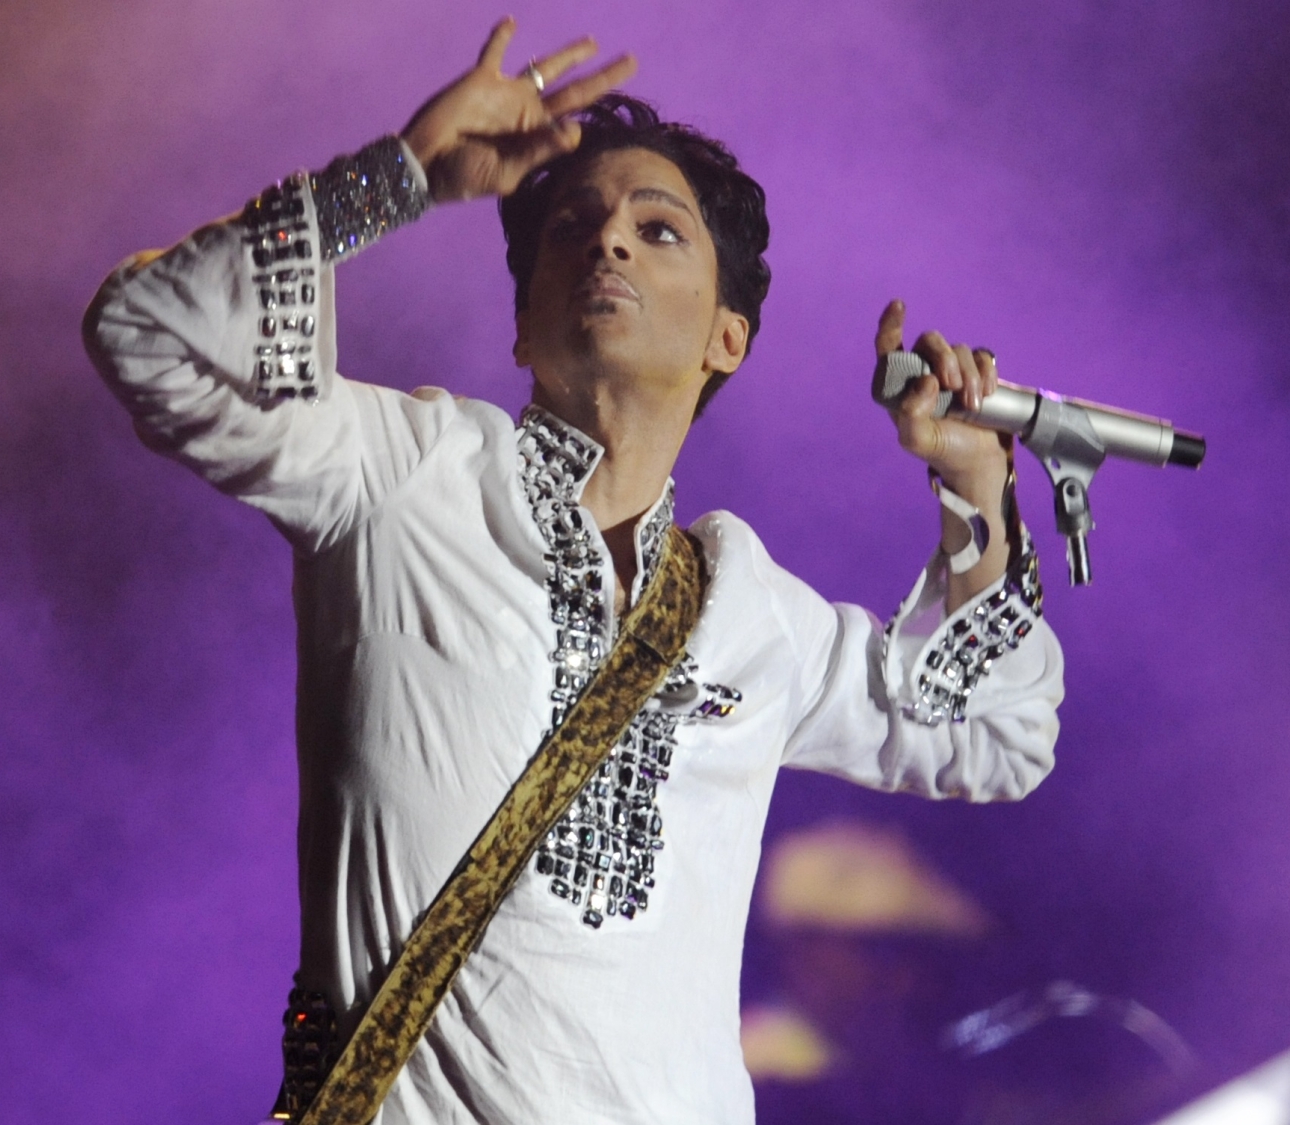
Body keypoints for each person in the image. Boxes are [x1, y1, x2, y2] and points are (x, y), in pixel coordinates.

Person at [83, 18, 1063, 1125]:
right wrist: (398, 177)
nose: (607, 246)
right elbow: (149, 332)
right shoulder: (404, 474)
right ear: (518, 323)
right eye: (570, 229)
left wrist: (974, 485)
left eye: (657, 230)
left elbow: (992, 733)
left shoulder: (753, 611)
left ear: (726, 340)